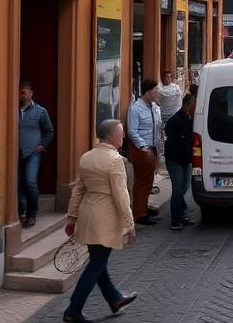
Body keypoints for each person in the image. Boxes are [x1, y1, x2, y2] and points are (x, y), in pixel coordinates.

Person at [63, 119, 138, 323]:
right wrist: (130, 224)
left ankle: (115, 299)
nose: (123, 135)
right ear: (111, 136)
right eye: (121, 132)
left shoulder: (86, 157)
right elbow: (121, 195)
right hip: (104, 218)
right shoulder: (115, 160)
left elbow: (79, 189)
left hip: (88, 215)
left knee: (98, 261)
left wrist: (72, 216)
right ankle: (73, 310)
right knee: (96, 264)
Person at [18, 81, 55, 228]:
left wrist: (42, 146)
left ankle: (32, 213)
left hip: (33, 153)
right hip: (17, 153)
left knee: (30, 181)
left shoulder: (40, 111)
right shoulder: (13, 109)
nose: (21, 95)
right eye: (19, 92)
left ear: (31, 94)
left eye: (23, 92)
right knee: (17, 184)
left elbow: (49, 131)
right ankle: (20, 212)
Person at [127, 80, 162, 225]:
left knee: (148, 182)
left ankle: (143, 208)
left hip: (153, 148)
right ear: (147, 92)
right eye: (155, 91)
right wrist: (143, 147)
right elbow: (132, 131)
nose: (157, 93)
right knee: (142, 182)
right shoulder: (136, 108)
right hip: (142, 150)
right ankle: (139, 214)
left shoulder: (154, 107)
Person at [164, 94, 197, 230]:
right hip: (175, 159)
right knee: (178, 189)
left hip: (186, 159)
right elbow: (172, 138)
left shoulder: (193, 119)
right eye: (194, 104)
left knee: (184, 187)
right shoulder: (176, 120)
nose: (196, 107)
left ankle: (182, 213)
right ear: (187, 104)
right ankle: (176, 219)